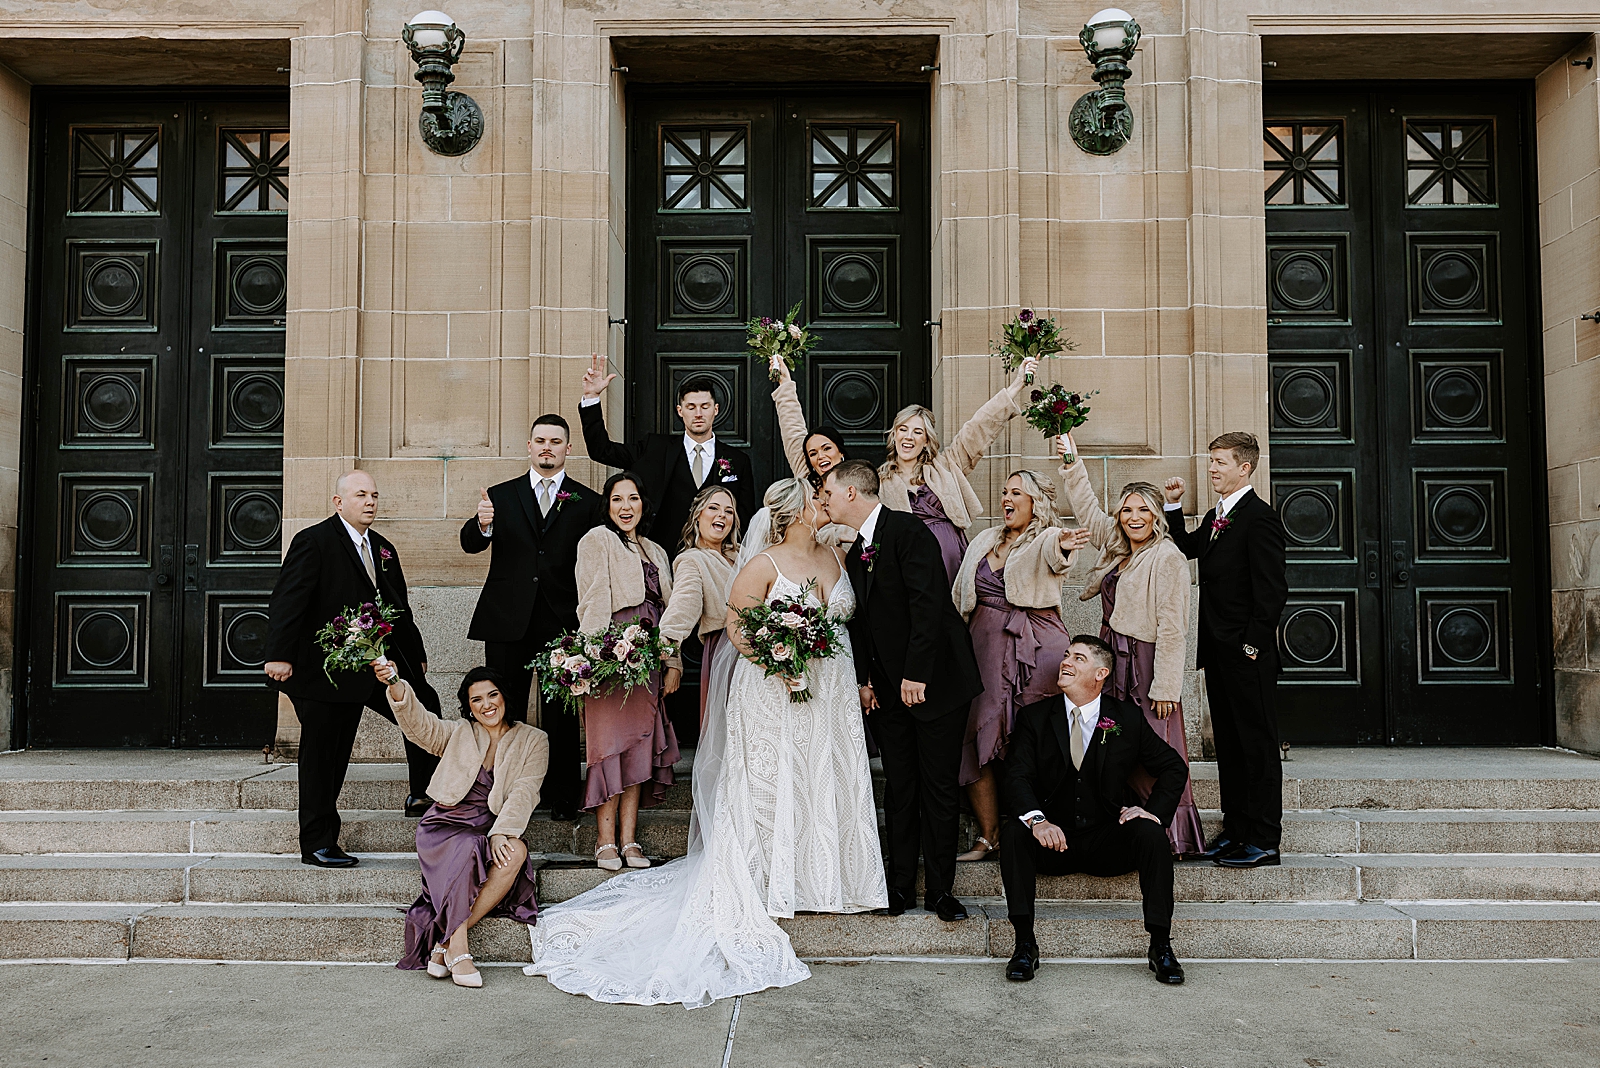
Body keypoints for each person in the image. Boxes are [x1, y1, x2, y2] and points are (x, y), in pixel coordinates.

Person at [527, 478, 885, 1008]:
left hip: (830, 693)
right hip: (775, 689)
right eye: (816, 498)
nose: (825, 502)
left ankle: (825, 879)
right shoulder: (761, 564)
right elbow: (741, 629)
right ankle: (769, 879)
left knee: (821, 779)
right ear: (791, 514)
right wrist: (774, 661)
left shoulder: (838, 553)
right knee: (772, 781)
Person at [821, 460, 982, 922]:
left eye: (829, 490)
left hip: (936, 684)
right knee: (901, 789)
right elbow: (865, 624)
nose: (825, 499)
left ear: (851, 492)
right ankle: (899, 889)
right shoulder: (857, 552)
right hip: (889, 694)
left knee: (938, 787)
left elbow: (928, 605)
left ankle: (941, 891)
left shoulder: (909, 532)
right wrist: (866, 680)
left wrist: (917, 674)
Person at [264, 470, 442, 867]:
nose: (370, 502)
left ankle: (423, 793)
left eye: (375, 495)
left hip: (375, 666)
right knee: (325, 756)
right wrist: (279, 654)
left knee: (423, 706)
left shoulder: (382, 548)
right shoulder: (314, 541)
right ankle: (318, 843)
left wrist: (415, 655)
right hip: (324, 671)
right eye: (361, 494)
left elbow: (399, 607)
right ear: (338, 501)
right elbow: (288, 600)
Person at [1000, 637, 1188, 985]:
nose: (1066, 662)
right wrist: (1037, 821)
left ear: (1100, 673)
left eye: (1078, 658)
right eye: (1067, 655)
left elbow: (1173, 767)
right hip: (1052, 843)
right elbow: (1016, 776)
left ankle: (1160, 945)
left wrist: (1154, 813)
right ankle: (1024, 944)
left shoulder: (1125, 719)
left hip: (1106, 840)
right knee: (1014, 830)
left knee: (1150, 834)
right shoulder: (1035, 718)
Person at [1059, 432, 1205, 857]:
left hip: (1146, 665)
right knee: (1114, 743)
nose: (1134, 517)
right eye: (1127, 510)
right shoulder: (1120, 546)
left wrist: (1166, 688)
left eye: (1144, 510)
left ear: (1157, 516)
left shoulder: (1168, 557)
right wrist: (1071, 458)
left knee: (1154, 749)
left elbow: (1175, 628)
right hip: (1113, 660)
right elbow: (1086, 506)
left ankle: (1171, 834)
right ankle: (1124, 827)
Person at [460, 414, 602, 822]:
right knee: (507, 710)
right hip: (508, 621)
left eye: (555, 441)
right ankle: (507, 790)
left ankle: (561, 794)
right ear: (528, 445)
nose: (547, 447)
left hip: (562, 622)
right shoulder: (501, 496)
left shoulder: (587, 501)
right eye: (540, 440)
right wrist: (482, 525)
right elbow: (470, 544)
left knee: (560, 714)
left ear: (567, 449)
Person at [376, 663, 547, 988]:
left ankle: (444, 941)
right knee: (467, 847)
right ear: (468, 707)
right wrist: (396, 684)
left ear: (504, 697)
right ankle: (461, 951)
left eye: (492, 695)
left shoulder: (533, 740)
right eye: (477, 700)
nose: (487, 705)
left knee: (517, 851)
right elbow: (419, 726)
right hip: (444, 825)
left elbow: (527, 789)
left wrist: (501, 832)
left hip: (488, 825)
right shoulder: (460, 733)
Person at [1163, 432, 1289, 869]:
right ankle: (1236, 832)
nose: (1212, 468)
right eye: (1211, 461)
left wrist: (1251, 648)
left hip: (1245, 657)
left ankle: (1264, 840)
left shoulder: (1260, 519)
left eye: (1220, 461)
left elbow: (1272, 593)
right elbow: (1187, 548)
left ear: (1245, 467)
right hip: (1217, 655)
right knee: (1231, 748)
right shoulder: (1221, 516)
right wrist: (1173, 507)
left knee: (1256, 747)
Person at [950, 470, 1089, 862]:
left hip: (1038, 644)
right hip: (983, 645)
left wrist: (1063, 543)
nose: (1007, 499)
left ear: (1035, 502)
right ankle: (988, 835)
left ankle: (1046, 824)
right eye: (1005, 491)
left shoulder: (1046, 536)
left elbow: (1057, 553)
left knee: (1037, 734)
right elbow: (961, 592)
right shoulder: (983, 539)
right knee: (978, 731)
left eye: (1017, 493)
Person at [574, 473, 681, 871]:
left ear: (642, 504)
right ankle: (604, 842)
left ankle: (630, 840)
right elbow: (593, 597)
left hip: (647, 660)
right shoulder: (597, 540)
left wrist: (671, 662)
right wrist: (590, 660)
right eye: (617, 499)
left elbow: (671, 613)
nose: (625, 506)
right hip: (609, 658)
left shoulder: (656, 550)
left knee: (638, 747)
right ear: (608, 505)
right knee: (607, 749)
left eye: (633, 498)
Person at [876, 356, 1038, 584]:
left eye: (917, 432)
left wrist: (1017, 384)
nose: (908, 437)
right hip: (908, 567)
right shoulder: (880, 482)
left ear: (926, 440)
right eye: (903, 429)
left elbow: (978, 428)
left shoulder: (945, 466)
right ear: (894, 435)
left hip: (950, 561)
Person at [578, 355, 756, 546]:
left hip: (716, 558)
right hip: (661, 557)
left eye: (705, 406)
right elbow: (602, 451)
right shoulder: (654, 448)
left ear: (716, 409)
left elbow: (744, 516)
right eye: (691, 407)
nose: (698, 413)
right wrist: (591, 398)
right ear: (680, 411)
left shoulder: (738, 460)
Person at [658, 486, 740, 725]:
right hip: (724, 647)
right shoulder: (692, 560)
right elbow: (685, 603)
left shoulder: (743, 555)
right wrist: (667, 642)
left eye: (728, 511)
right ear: (698, 515)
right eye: (713, 508)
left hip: (757, 647)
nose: (721, 516)